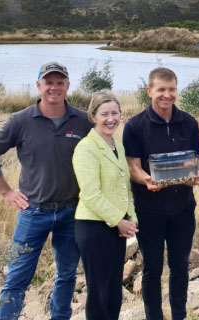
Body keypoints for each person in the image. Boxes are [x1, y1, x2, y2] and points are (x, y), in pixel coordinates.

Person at [0, 61, 92, 320]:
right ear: (39, 85)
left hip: (71, 213)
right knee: (17, 277)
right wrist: (7, 192)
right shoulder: (20, 120)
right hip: (32, 213)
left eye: (59, 82)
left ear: (67, 87)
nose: (54, 87)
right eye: (49, 82)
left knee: (66, 275)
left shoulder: (83, 121)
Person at [123, 67, 199, 320]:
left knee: (180, 266)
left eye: (171, 90)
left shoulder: (188, 122)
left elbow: (193, 161)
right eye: (161, 90)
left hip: (182, 209)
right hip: (149, 210)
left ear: (176, 91)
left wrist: (194, 176)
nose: (166, 95)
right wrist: (146, 180)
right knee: (153, 268)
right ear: (149, 91)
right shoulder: (134, 125)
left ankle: (179, 315)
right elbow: (134, 167)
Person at [72, 90, 138, 320]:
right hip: (93, 228)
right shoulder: (86, 148)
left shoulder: (117, 146)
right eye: (104, 114)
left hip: (116, 228)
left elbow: (125, 187)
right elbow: (91, 194)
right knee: (99, 293)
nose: (111, 119)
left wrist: (131, 216)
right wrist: (118, 221)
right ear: (93, 116)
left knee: (113, 292)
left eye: (115, 113)